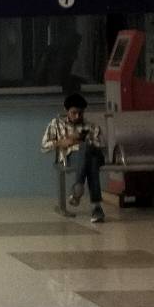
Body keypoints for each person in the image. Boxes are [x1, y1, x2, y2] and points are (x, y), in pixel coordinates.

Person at [42, 91, 108, 223]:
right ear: (66, 111)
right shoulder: (56, 124)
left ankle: (78, 187)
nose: (77, 116)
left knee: (87, 149)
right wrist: (63, 142)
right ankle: (96, 207)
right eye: (74, 113)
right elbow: (44, 146)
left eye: (81, 113)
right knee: (92, 163)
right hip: (72, 156)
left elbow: (101, 146)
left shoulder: (91, 126)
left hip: (94, 154)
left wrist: (84, 140)